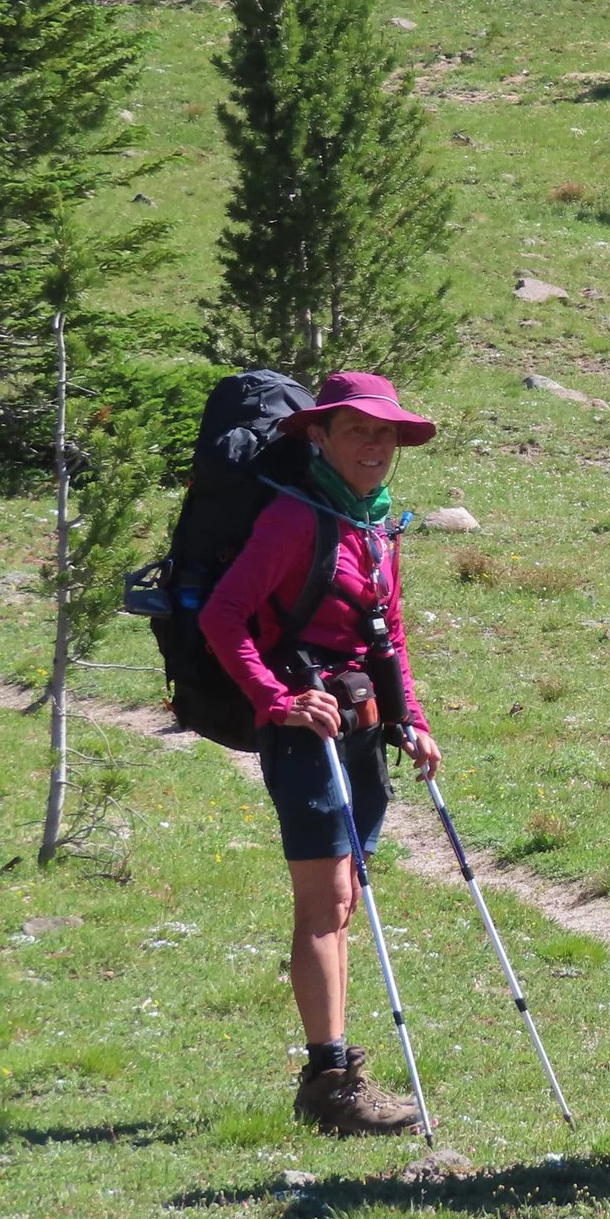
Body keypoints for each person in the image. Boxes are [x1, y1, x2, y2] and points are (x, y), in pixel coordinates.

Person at [202, 372, 442, 1135]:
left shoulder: (375, 525)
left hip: (363, 728)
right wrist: (276, 699)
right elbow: (224, 614)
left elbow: (389, 634)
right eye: (358, 431)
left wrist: (412, 720)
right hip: (306, 731)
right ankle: (328, 1077)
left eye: (386, 434)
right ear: (321, 436)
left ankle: (333, 1071)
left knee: (346, 901)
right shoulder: (292, 519)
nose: (376, 446)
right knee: (325, 900)